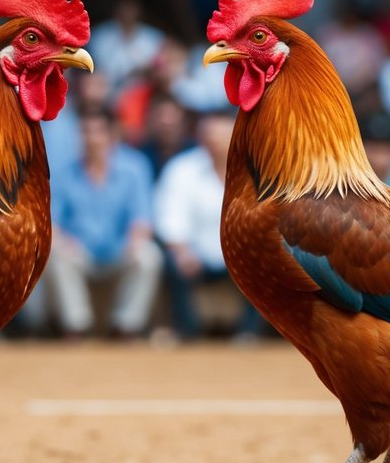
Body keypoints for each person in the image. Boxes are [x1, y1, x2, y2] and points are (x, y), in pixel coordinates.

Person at [45, 108, 161, 338]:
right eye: (85, 131)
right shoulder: (63, 173)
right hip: (78, 251)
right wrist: (63, 242)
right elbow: (52, 224)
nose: (91, 138)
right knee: (54, 252)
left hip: (121, 249)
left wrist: (135, 241)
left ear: (113, 135)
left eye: (98, 131)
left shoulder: (135, 167)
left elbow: (143, 218)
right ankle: (76, 326)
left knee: (149, 255)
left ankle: (126, 326)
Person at [154, 111, 261, 340]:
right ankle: (187, 331)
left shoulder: (257, 169)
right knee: (170, 261)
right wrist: (182, 251)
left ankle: (249, 333)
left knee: (268, 260)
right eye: (210, 136)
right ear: (201, 138)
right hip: (195, 256)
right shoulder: (181, 169)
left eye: (222, 135)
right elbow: (170, 219)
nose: (216, 142)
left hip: (243, 256)